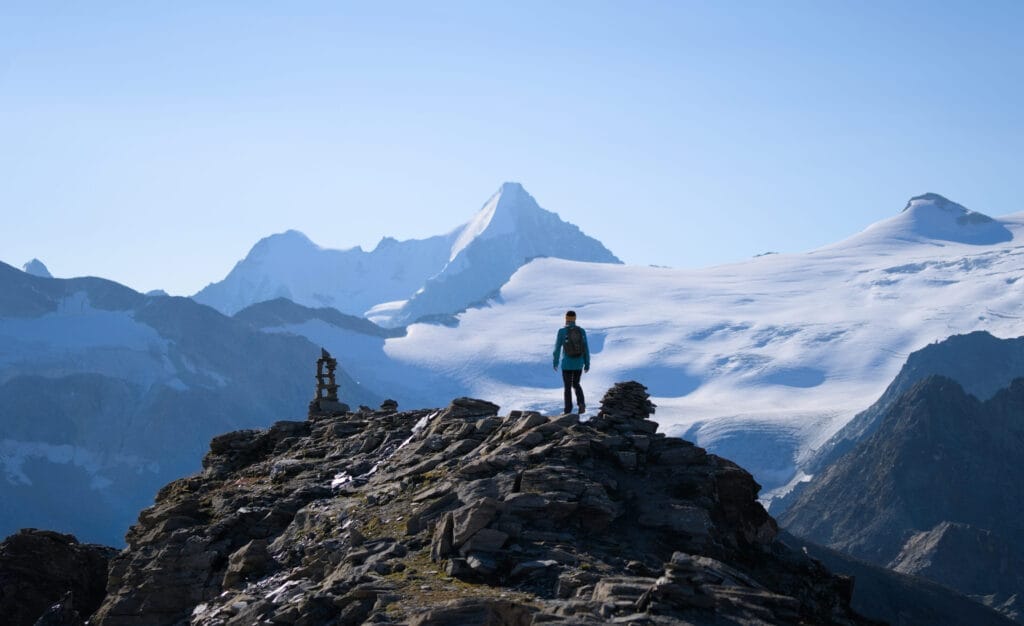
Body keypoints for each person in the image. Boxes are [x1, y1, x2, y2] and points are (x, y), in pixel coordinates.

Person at [553, 310, 590, 414]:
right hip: (579, 363)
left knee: (567, 387)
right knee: (576, 384)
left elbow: (557, 348)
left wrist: (555, 362)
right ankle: (581, 403)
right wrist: (587, 363)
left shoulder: (562, 331)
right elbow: (586, 348)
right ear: (575, 319)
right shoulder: (581, 331)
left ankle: (567, 410)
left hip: (567, 364)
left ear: (566, 319)